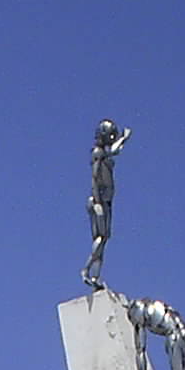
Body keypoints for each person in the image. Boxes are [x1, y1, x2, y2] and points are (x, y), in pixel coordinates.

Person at [81, 119, 132, 290]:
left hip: (106, 200)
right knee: (100, 238)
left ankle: (95, 275)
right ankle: (86, 271)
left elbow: (114, 152)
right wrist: (124, 138)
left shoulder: (104, 153)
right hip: (99, 200)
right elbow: (95, 178)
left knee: (104, 240)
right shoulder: (98, 153)